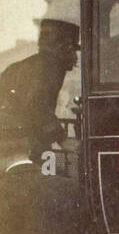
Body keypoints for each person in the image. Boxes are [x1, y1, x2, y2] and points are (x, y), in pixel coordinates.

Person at [0, 17, 79, 160]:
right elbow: (38, 106)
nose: (75, 57)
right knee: (41, 174)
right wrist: (63, 140)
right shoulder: (49, 68)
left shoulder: (33, 64)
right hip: (19, 139)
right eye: (73, 49)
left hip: (14, 137)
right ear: (63, 48)